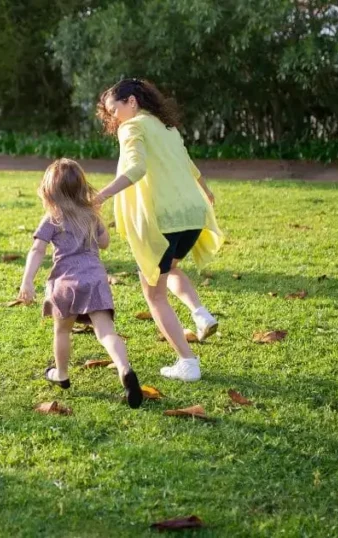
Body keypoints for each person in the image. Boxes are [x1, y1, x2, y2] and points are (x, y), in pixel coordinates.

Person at [92, 78, 224, 382]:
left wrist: (101, 195)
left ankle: (187, 363)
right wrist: (206, 191)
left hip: (163, 220)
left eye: (115, 110)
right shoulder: (168, 128)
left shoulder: (132, 126)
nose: (114, 118)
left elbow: (135, 169)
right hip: (192, 215)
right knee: (170, 268)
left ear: (132, 102)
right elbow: (189, 164)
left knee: (154, 294)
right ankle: (200, 314)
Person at [18, 159, 143, 409]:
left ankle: (61, 374)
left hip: (65, 282)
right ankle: (124, 368)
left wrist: (27, 281)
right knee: (106, 332)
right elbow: (105, 243)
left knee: (62, 330)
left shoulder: (52, 217)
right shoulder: (90, 215)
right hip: (95, 279)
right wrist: (98, 219)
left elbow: (37, 249)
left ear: (50, 191)